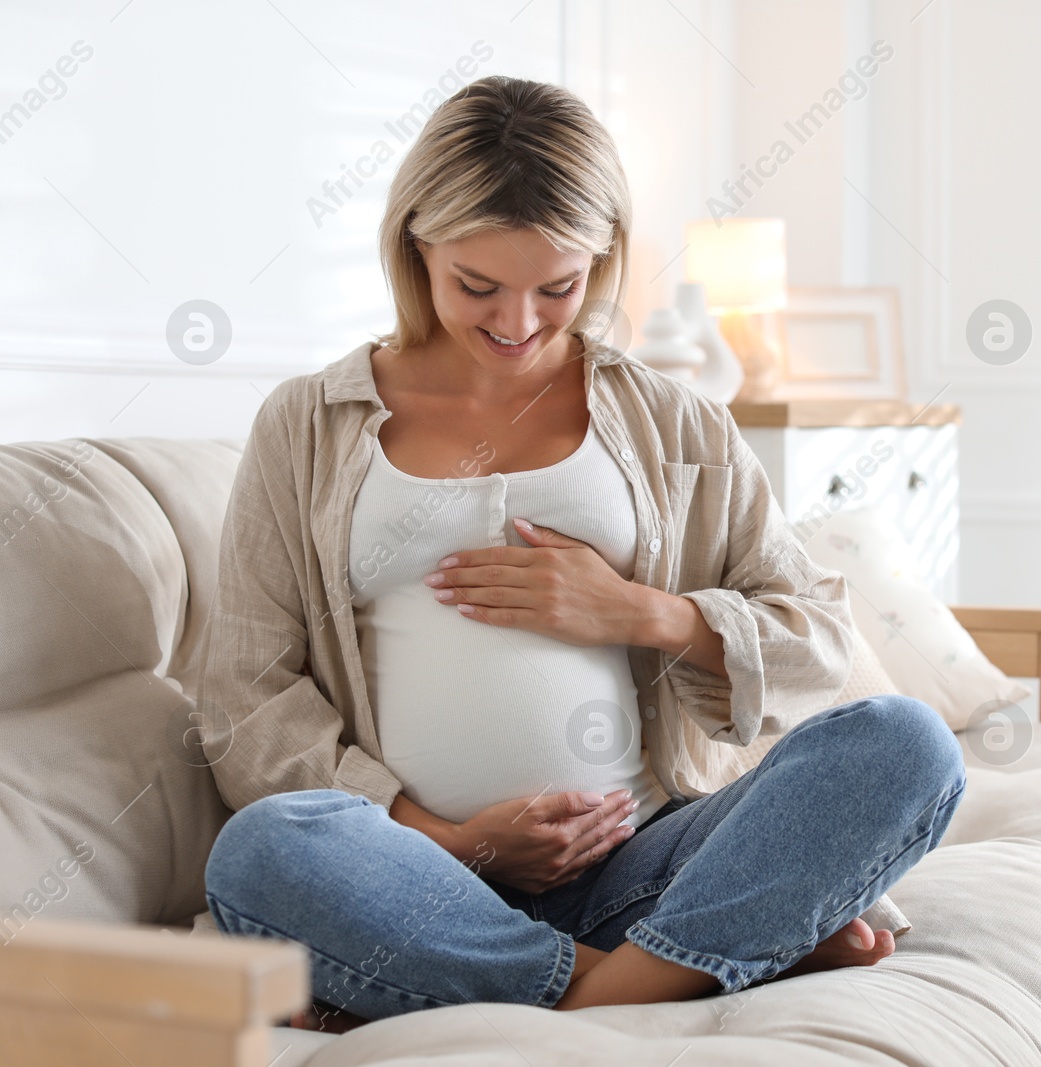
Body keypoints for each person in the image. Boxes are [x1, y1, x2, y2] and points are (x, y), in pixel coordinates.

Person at [196, 75, 967, 1026]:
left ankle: (593, 977)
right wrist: (449, 840)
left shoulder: (672, 421)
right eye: (477, 285)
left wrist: (638, 611)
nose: (516, 324)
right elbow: (242, 691)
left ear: (600, 264)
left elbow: (814, 639)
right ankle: (672, 966)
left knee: (906, 743)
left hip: (644, 861)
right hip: (414, 878)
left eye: (556, 288)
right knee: (263, 851)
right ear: (414, 247)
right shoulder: (308, 425)